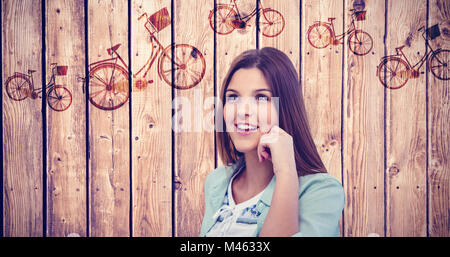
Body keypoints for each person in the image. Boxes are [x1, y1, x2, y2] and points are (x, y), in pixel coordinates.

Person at [200, 47, 344, 237]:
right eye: (233, 97)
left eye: (261, 97)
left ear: (285, 107)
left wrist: (286, 173)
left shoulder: (323, 192)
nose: (243, 110)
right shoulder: (217, 181)